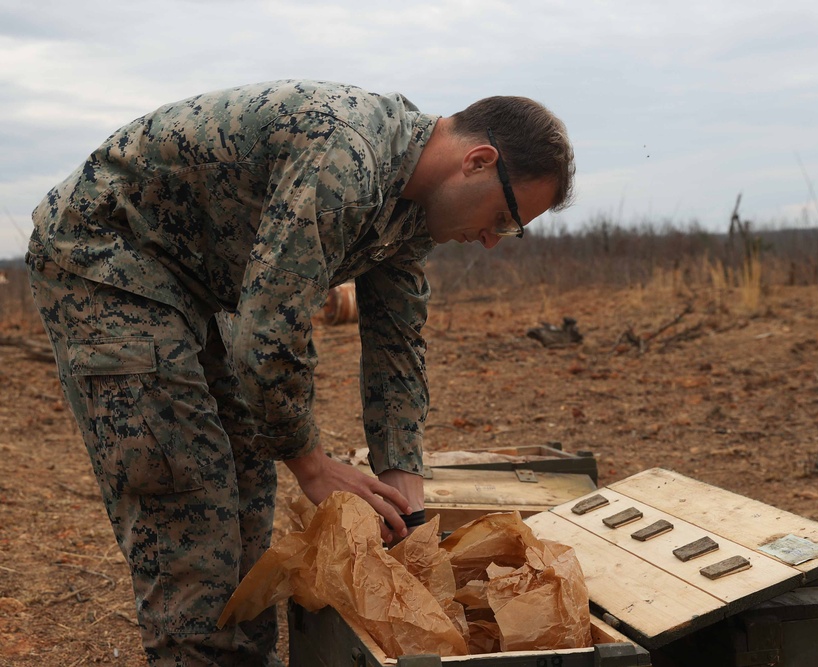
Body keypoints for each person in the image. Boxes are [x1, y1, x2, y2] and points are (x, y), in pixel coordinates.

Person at [25, 79, 574, 666]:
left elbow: (397, 346)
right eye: (505, 217)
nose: (493, 240)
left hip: (200, 284)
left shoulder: (413, 210)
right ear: (478, 161)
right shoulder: (347, 159)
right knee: (187, 500)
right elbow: (270, 334)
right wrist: (311, 465)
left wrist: (406, 494)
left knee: (248, 481)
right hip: (107, 258)